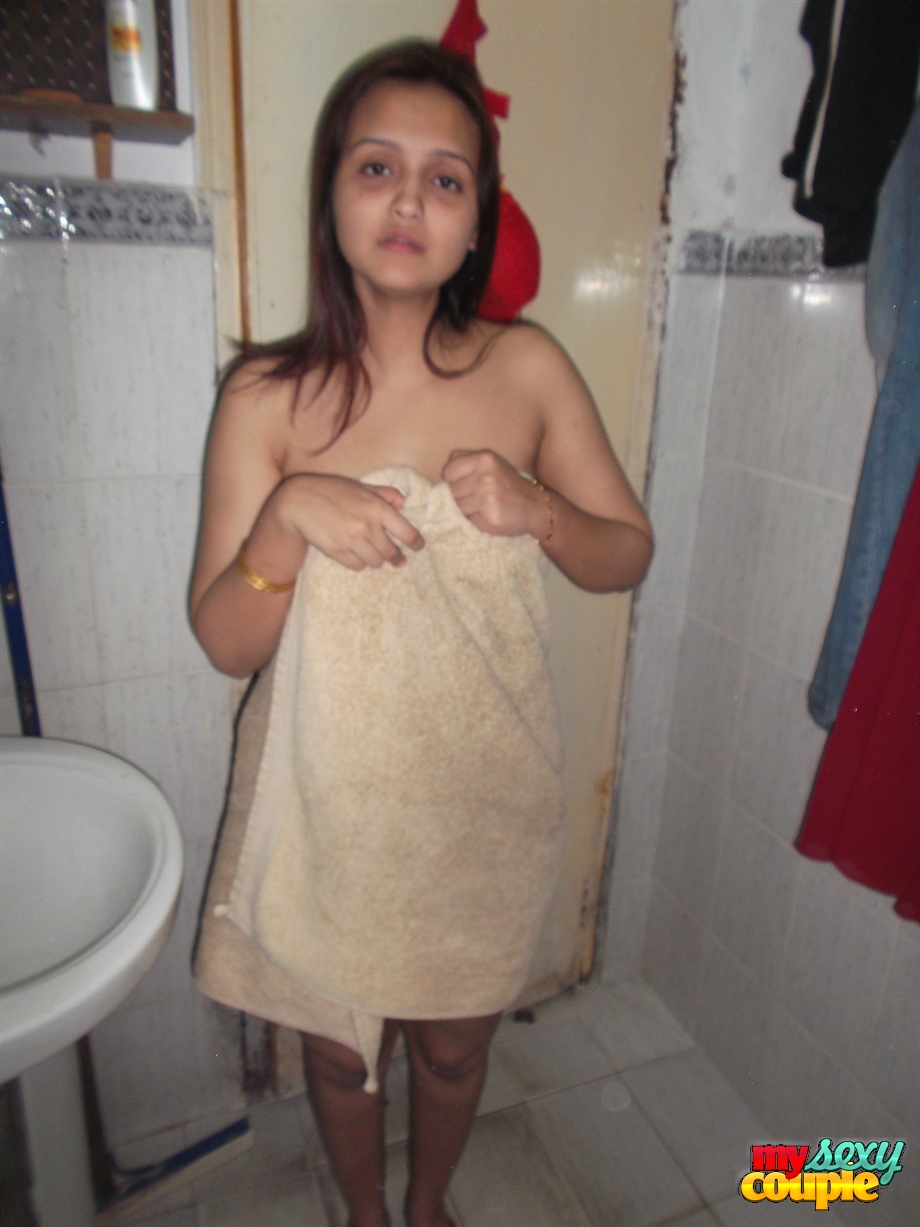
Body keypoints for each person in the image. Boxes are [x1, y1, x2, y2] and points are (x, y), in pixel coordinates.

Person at [190, 40, 652, 1227]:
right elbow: (227, 642)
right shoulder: (262, 398)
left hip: (479, 802)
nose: (407, 200)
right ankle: (365, 1214)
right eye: (376, 167)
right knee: (341, 1055)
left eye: (444, 180)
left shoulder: (527, 368)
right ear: (331, 192)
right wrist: (288, 517)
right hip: (328, 807)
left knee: (451, 1050)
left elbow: (626, 553)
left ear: (476, 219)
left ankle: (429, 1204)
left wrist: (539, 511)